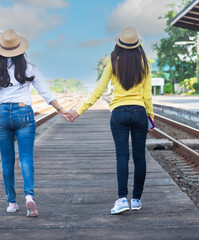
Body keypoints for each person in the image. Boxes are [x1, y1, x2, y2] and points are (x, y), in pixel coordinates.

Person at [65, 27, 154, 214]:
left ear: (119, 45)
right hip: (139, 112)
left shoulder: (113, 63)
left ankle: (122, 199)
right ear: (137, 46)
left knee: (122, 156)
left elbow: (98, 91)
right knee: (139, 158)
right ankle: (136, 200)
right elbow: (147, 96)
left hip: (119, 113)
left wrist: (79, 111)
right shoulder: (145, 64)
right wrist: (150, 118)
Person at [0, 29, 69, 217]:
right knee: (26, 157)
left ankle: (11, 202)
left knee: (7, 161)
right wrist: (60, 109)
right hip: (24, 112)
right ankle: (29, 197)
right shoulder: (29, 66)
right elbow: (45, 91)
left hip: (2, 113)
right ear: (20, 49)